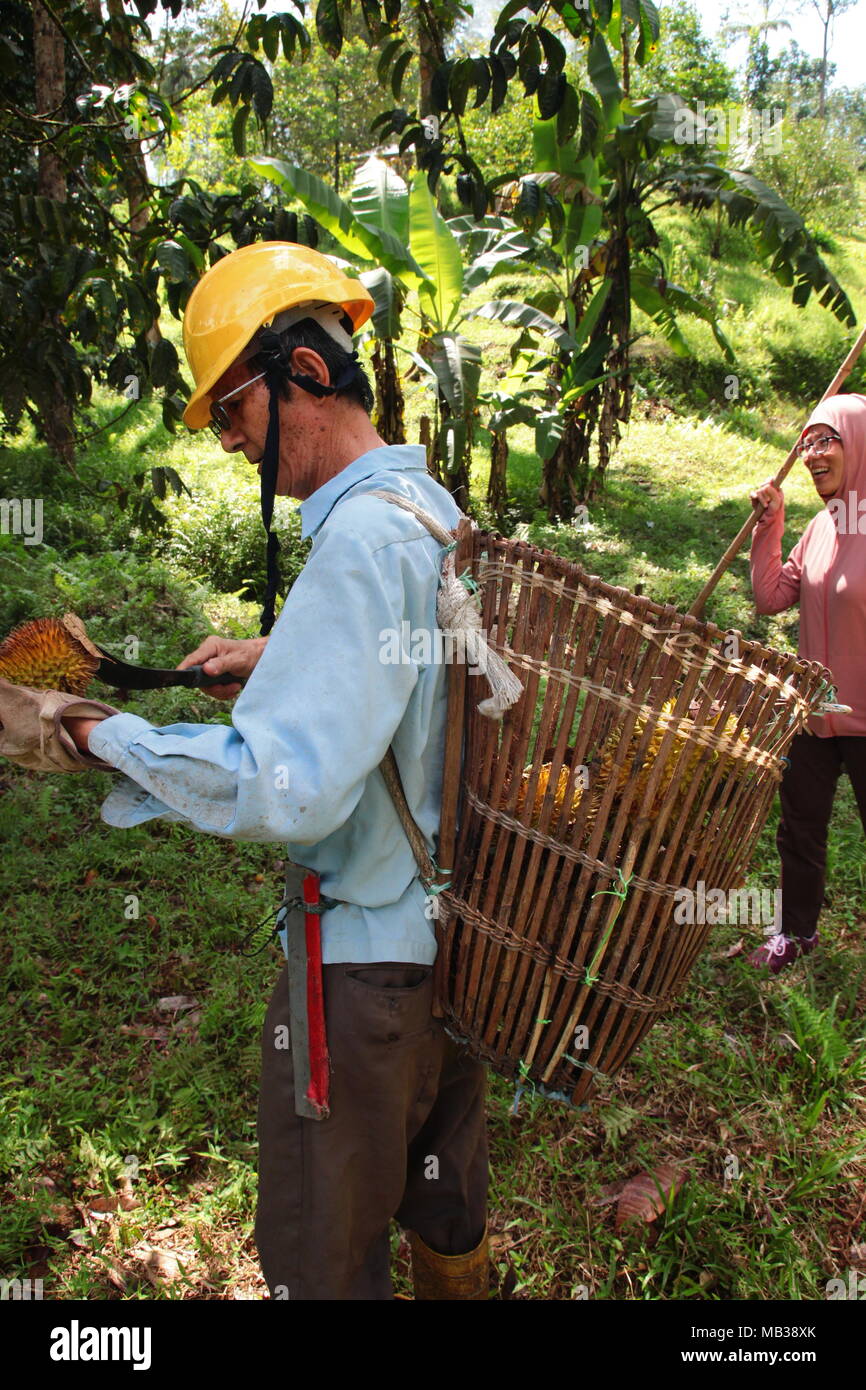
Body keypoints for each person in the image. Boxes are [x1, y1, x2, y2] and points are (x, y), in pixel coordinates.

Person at [53, 242, 491, 1299]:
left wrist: (94, 731)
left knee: (321, 1256)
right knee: (444, 1206)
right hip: (454, 956)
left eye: (235, 409)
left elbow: (281, 786)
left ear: (300, 370)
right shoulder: (433, 515)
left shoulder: (354, 549)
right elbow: (430, 680)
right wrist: (279, 656)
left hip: (360, 983)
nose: (232, 439)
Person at [748, 392, 866, 974]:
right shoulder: (821, 527)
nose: (814, 453)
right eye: (808, 443)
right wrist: (770, 526)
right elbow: (772, 597)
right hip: (815, 716)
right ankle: (796, 935)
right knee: (799, 831)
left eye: (828, 440)